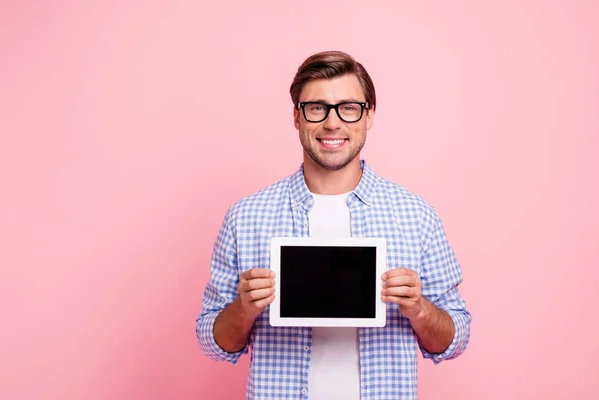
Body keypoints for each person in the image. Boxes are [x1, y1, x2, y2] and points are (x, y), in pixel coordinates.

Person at [196, 50, 471, 400]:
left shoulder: (416, 216)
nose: (332, 123)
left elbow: (456, 337)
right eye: (317, 108)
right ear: (297, 117)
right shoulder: (246, 217)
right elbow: (212, 341)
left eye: (348, 107)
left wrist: (418, 308)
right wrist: (244, 308)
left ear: (368, 115)